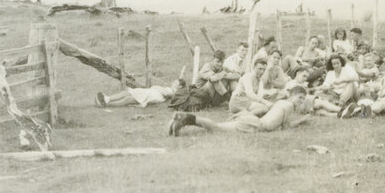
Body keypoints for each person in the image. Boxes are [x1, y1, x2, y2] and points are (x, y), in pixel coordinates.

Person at [169, 98, 310, 136]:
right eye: (300, 97)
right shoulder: (289, 106)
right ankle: (187, 118)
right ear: (293, 95)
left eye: (303, 99)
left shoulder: (281, 102)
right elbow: (285, 127)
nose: (301, 101)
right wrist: (302, 121)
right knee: (217, 128)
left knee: (217, 127)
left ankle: (183, 120)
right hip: (256, 125)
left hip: (253, 121)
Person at [96, 79, 184, 108]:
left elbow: (166, 94)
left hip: (155, 95)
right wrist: (157, 88)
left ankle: (107, 103)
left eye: (176, 82)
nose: (173, 82)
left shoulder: (176, 92)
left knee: (129, 99)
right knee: (127, 93)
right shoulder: (170, 88)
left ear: (180, 86)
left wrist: (157, 87)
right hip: (153, 91)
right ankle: (107, 99)